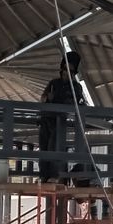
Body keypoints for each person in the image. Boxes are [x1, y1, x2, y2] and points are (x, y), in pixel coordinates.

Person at [38, 52, 85, 182]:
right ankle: (44, 176)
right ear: (61, 69)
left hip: (60, 121)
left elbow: (78, 103)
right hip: (46, 118)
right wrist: (48, 98)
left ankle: (54, 175)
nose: (66, 73)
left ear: (74, 73)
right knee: (44, 147)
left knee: (54, 147)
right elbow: (43, 98)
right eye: (65, 69)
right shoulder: (54, 83)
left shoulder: (76, 87)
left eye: (70, 71)